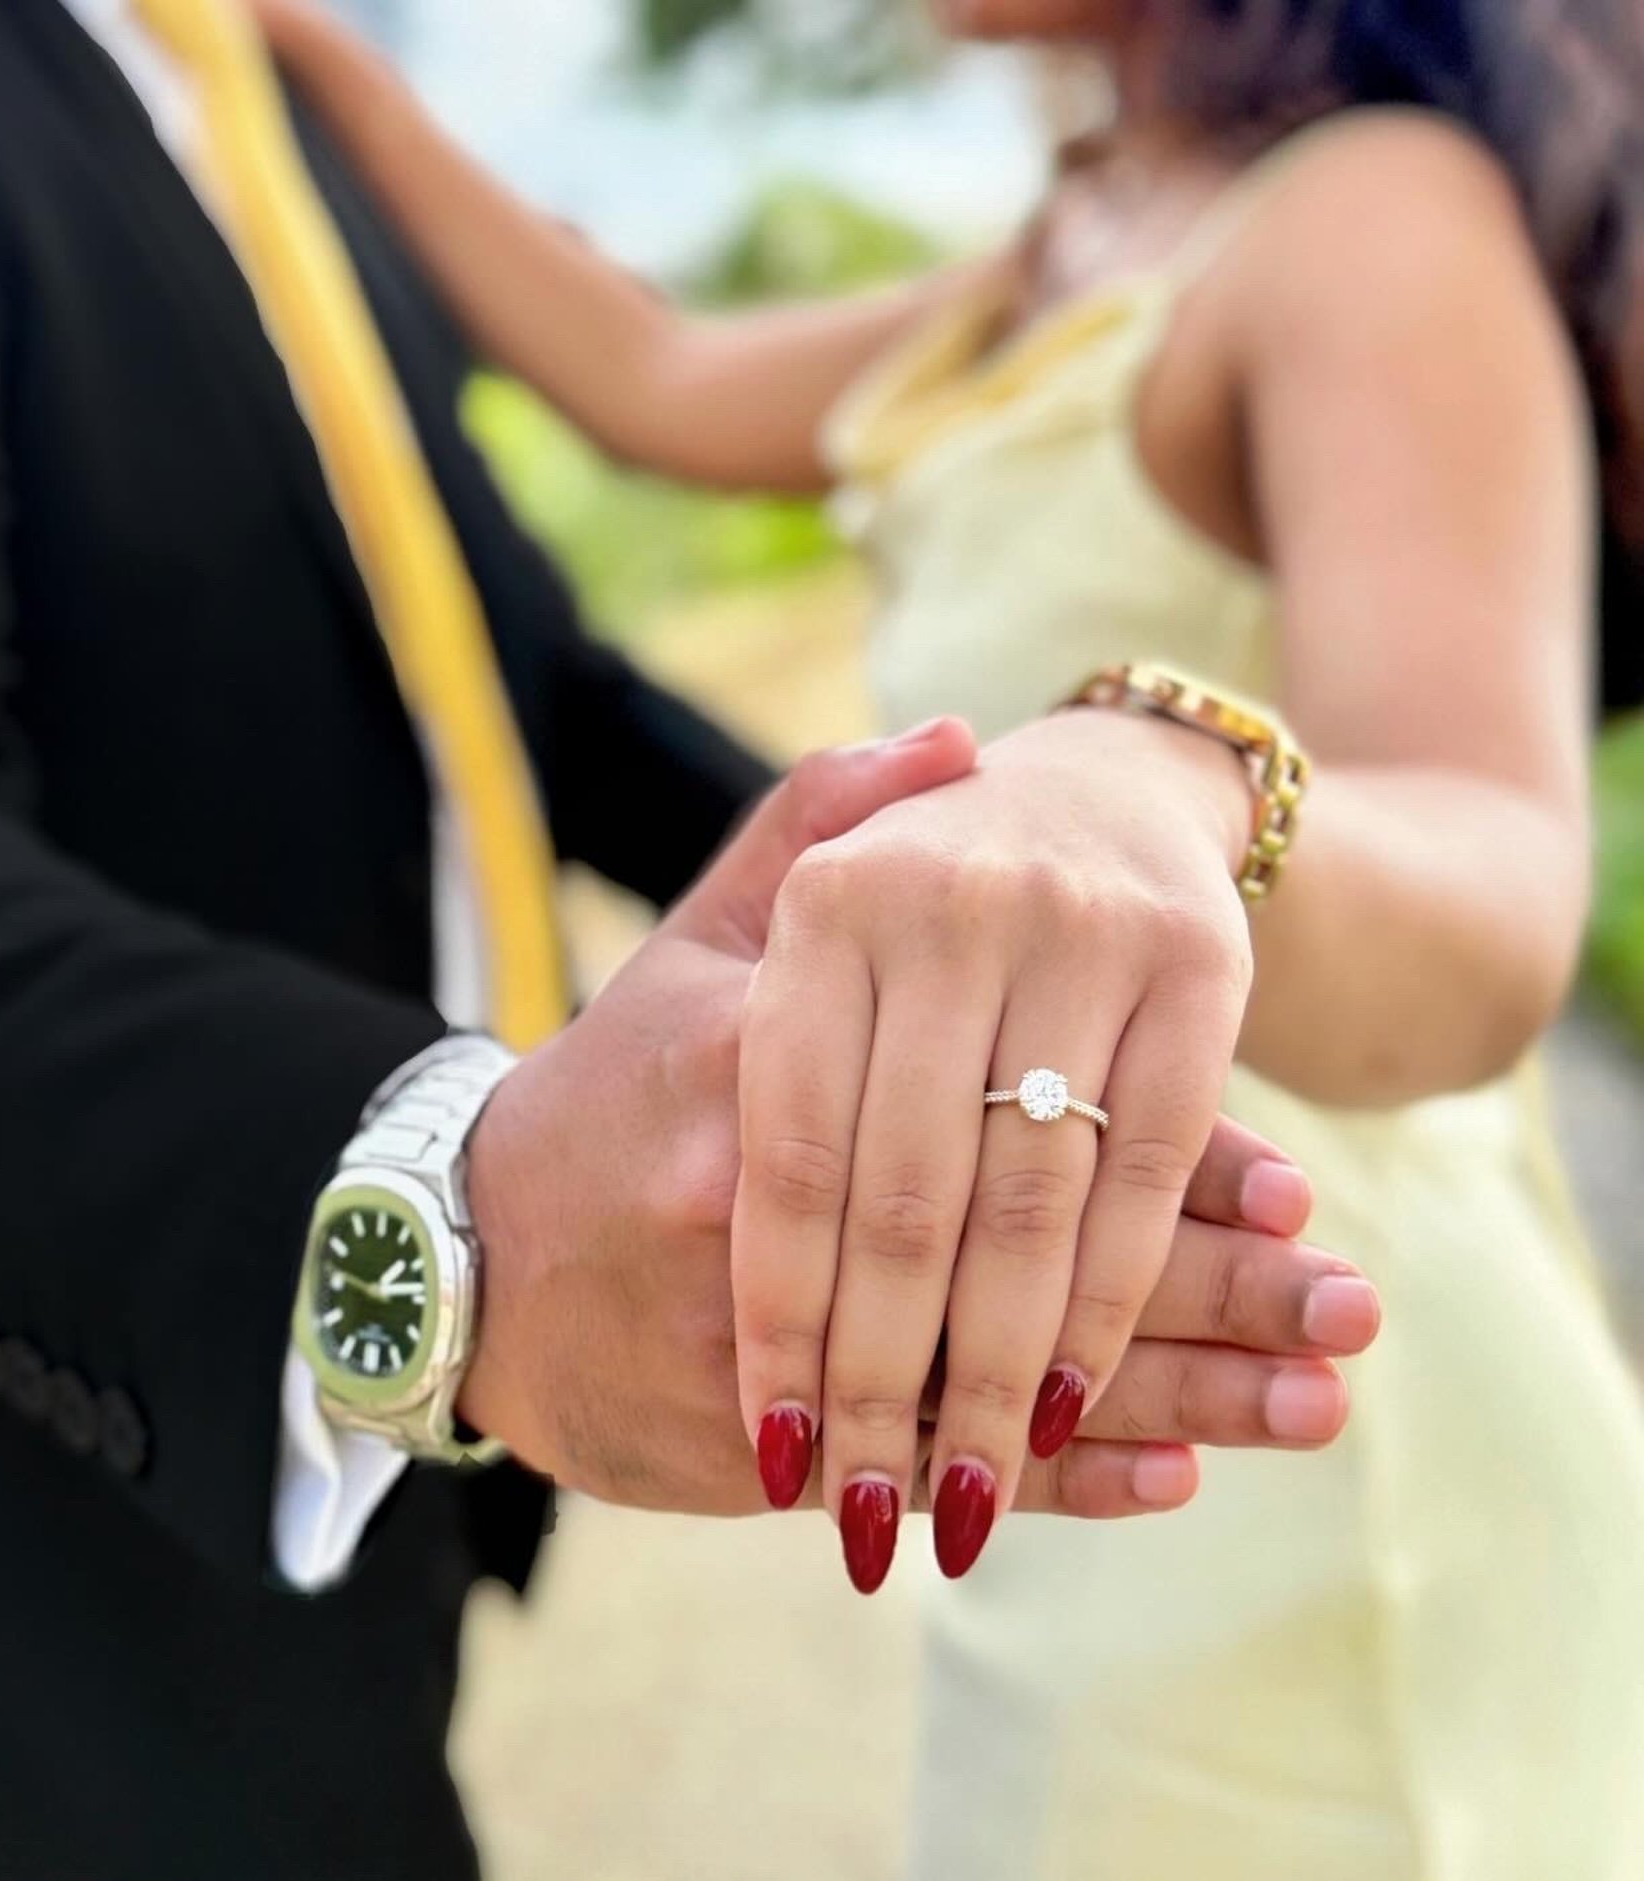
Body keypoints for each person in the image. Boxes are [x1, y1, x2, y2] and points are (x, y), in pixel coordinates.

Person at [0, 1, 1382, 1876]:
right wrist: (459, 1213)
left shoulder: (260, 126)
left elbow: (512, 673)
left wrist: (941, 932)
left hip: (365, 1520)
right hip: (30, 1538)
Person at [257, 0, 1644, 1874]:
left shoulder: (1376, 214)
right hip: (1068, 1394)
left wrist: (1162, 763)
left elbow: (1497, 872)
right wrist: (295, 51)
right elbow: (647, 369)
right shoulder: (1074, 244)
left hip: (1333, 1426)